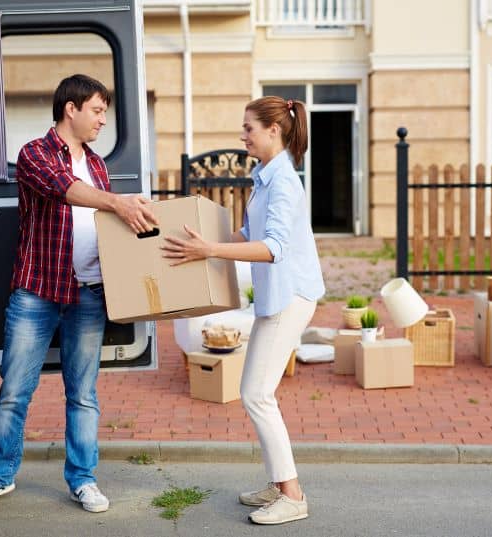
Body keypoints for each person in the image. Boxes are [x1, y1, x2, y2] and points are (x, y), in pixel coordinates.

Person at [0, 74, 158, 512]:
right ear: (72, 108)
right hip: (37, 293)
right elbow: (64, 189)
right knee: (14, 391)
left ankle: (83, 480)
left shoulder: (99, 164)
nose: (103, 120)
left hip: (88, 295)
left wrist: (135, 212)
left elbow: (107, 221)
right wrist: (117, 202)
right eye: (98, 110)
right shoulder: (34, 154)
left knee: (83, 394)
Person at [161, 96, 324, 525]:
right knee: (256, 392)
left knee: (255, 393)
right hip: (278, 297)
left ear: (274, 130)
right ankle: (278, 483)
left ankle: (292, 496)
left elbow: (272, 248)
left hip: (292, 298)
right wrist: (201, 242)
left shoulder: (285, 182)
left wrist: (210, 248)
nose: (242, 135)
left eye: (249, 128)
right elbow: (247, 234)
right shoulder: (265, 177)